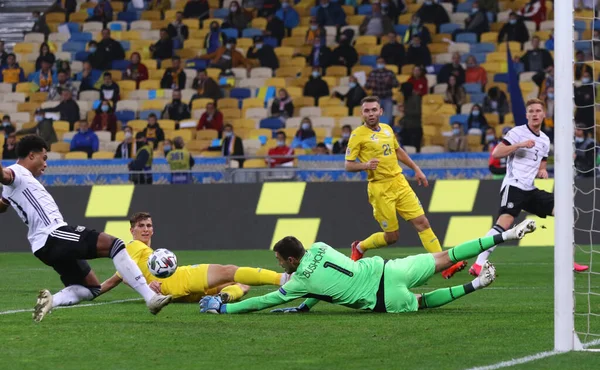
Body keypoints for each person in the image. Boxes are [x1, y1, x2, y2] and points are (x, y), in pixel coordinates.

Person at [198, 220, 537, 314]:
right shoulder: (319, 245)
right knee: (446, 256)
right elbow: (324, 282)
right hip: (390, 269)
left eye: (279, 261)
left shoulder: (300, 280)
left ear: (289, 260)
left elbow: (264, 300)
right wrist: (307, 304)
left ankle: (474, 287)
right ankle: (503, 235)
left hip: (382, 299)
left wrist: (227, 311)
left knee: (421, 302)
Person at [0, 135, 171, 322]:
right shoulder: (15, 173)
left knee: (92, 288)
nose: (46, 164)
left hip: (42, 246)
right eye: (44, 158)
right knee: (115, 245)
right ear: (31, 156)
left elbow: (3, 205)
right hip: (53, 234)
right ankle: (151, 298)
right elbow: (4, 175)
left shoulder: (14, 185)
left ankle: (51, 301)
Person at [345, 96, 466, 279]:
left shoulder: (387, 129)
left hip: (399, 182)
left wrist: (416, 169)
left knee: (422, 222)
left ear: (380, 112)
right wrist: (365, 165)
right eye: (367, 111)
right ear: (362, 113)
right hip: (380, 189)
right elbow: (348, 165)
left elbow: (398, 150)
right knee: (392, 237)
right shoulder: (357, 135)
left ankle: (445, 265)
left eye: (373, 110)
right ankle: (360, 246)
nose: (370, 114)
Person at [469, 99, 589, 275]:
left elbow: (541, 161)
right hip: (514, 185)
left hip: (530, 189)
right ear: (526, 115)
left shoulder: (545, 140)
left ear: (543, 114)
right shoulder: (517, 133)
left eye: (538, 110)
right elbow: (496, 153)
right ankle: (479, 263)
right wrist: (519, 145)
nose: (535, 114)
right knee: (505, 223)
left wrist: (542, 171)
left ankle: (569, 261)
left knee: (566, 213)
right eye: (531, 111)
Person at [96, 212, 291, 303]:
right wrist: (148, 286)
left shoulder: (140, 253)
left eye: (149, 225)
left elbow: (121, 278)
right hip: (179, 278)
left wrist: (146, 287)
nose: (146, 229)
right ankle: (282, 279)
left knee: (242, 285)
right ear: (132, 230)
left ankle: (222, 299)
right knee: (229, 271)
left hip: (176, 294)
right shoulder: (134, 246)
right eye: (141, 226)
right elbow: (117, 278)